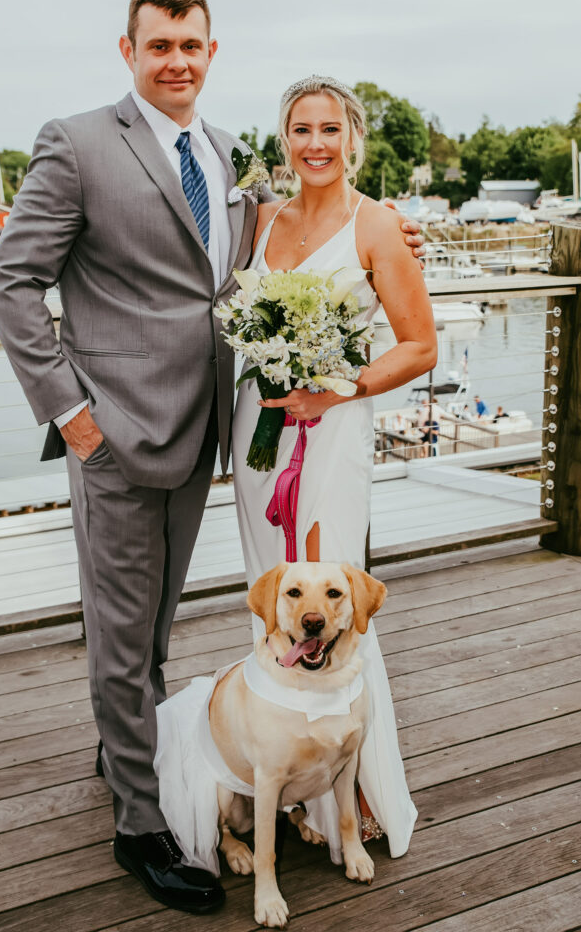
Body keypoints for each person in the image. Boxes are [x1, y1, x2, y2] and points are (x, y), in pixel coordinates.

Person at [0, 0, 426, 913]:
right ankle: (141, 825)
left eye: (191, 44)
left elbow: (288, 238)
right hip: (111, 435)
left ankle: (135, 756)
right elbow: (12, 281)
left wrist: (385, 230)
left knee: (152, 629)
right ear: (129, 50)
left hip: (205, 443)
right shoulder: (76, 143)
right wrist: (69, 412)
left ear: (211, 52)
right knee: (120, 634)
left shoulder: (225, 157)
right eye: (159, 46)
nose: (176, 60)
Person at [232, 76, 438, 858]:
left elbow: (418, 345)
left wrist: (339, 387)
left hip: (331, 431)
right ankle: (287, 775)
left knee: (333, 597)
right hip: (258, 434)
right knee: (273, 599)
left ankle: (351, 790)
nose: (313, 144)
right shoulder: (260, 218)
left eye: (328, 129)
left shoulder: (377, 224)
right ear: (283, 139)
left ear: (353, 138)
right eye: (299, 130)